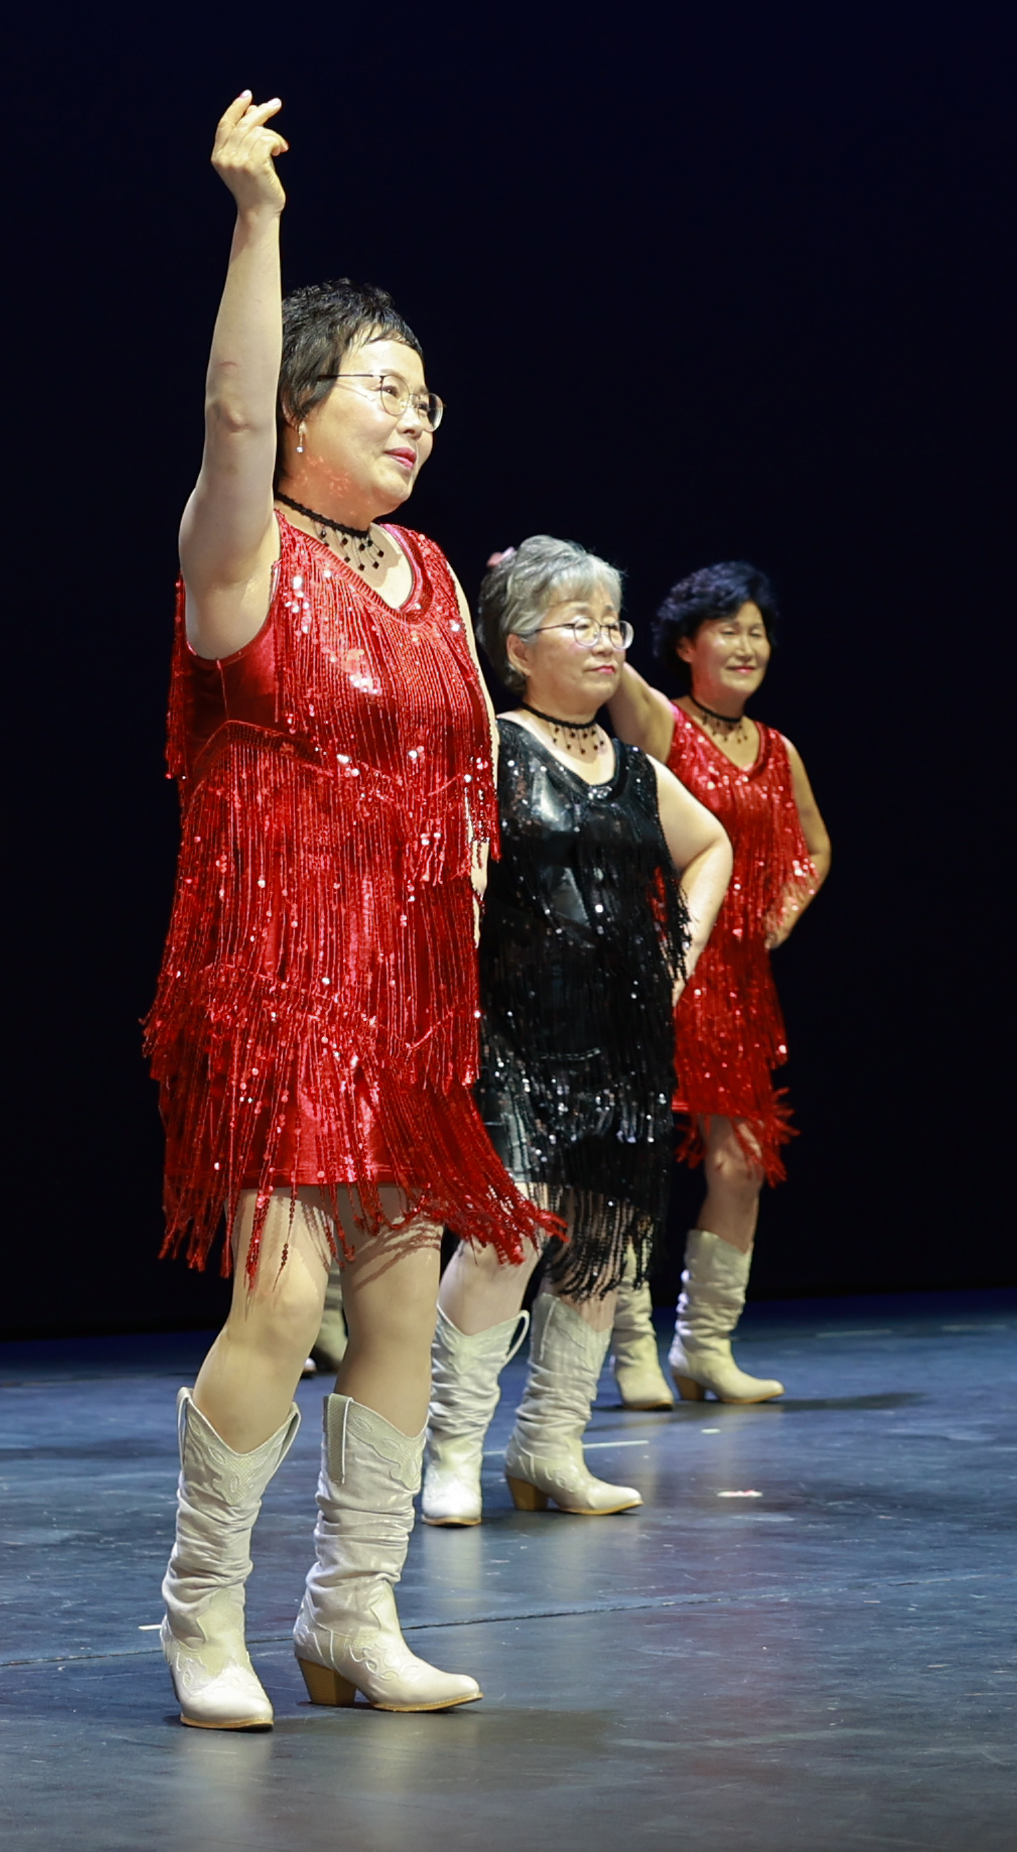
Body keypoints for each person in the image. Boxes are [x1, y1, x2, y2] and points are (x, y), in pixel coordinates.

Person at [144, 94, 538, 1728]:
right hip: (276, 979)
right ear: (306, 405)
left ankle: (350, 1619)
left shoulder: (436, 572)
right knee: (286, 1295)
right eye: (387, 386)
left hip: (410, 1000)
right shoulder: (241, 554)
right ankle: (200, 1621)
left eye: (428, 396)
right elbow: (229, 425)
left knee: (400, 1294)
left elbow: (467, 773)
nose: (418, 416)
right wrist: (255, 223)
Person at [419, 538, 737, 1526]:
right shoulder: (492, 748)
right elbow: (453, 882)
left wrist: (675, 963)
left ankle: (551, 1445)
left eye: (613, 622)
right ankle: (450, 1448)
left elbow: (711, 845)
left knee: (606, 1243)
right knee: (506, 1233)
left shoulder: (635, 767)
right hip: (516, 1031)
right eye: (580, 621)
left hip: (623, 1041)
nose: (604, 640)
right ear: (518, 644)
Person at [604, 562, 825, 1406]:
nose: (746, 645)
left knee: (739, 1163)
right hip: (662, 971)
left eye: (756, 630)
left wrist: (788, 907)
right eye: (726, 629)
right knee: (636, 1163)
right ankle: (628, 1346)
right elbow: (616, 676)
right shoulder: (663, 725)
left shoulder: (777, 747)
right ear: (688, 644)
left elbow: (816, 845)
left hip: (740, 983)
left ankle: (704, 1344)